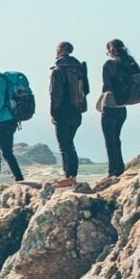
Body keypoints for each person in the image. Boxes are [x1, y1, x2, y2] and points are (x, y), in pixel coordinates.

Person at [49, 41, 89, 186]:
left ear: (59, 51)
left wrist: (53, 113)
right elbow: (87, 89)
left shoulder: (58, 70)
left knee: (65, 145)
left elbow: (55, 94)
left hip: (62, 111)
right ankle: (71, 174)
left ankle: (69, 175)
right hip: (77, 111)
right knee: (69, 143)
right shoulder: (79, 68)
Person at [100, 39, 139, 177]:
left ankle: (112, 171)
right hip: (122, 107)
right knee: (117, 138)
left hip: (110, 106)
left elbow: (107, 87)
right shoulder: (130, 62)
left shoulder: (109, 64)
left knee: (110, 140)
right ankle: (120, 168)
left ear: (111, 50)